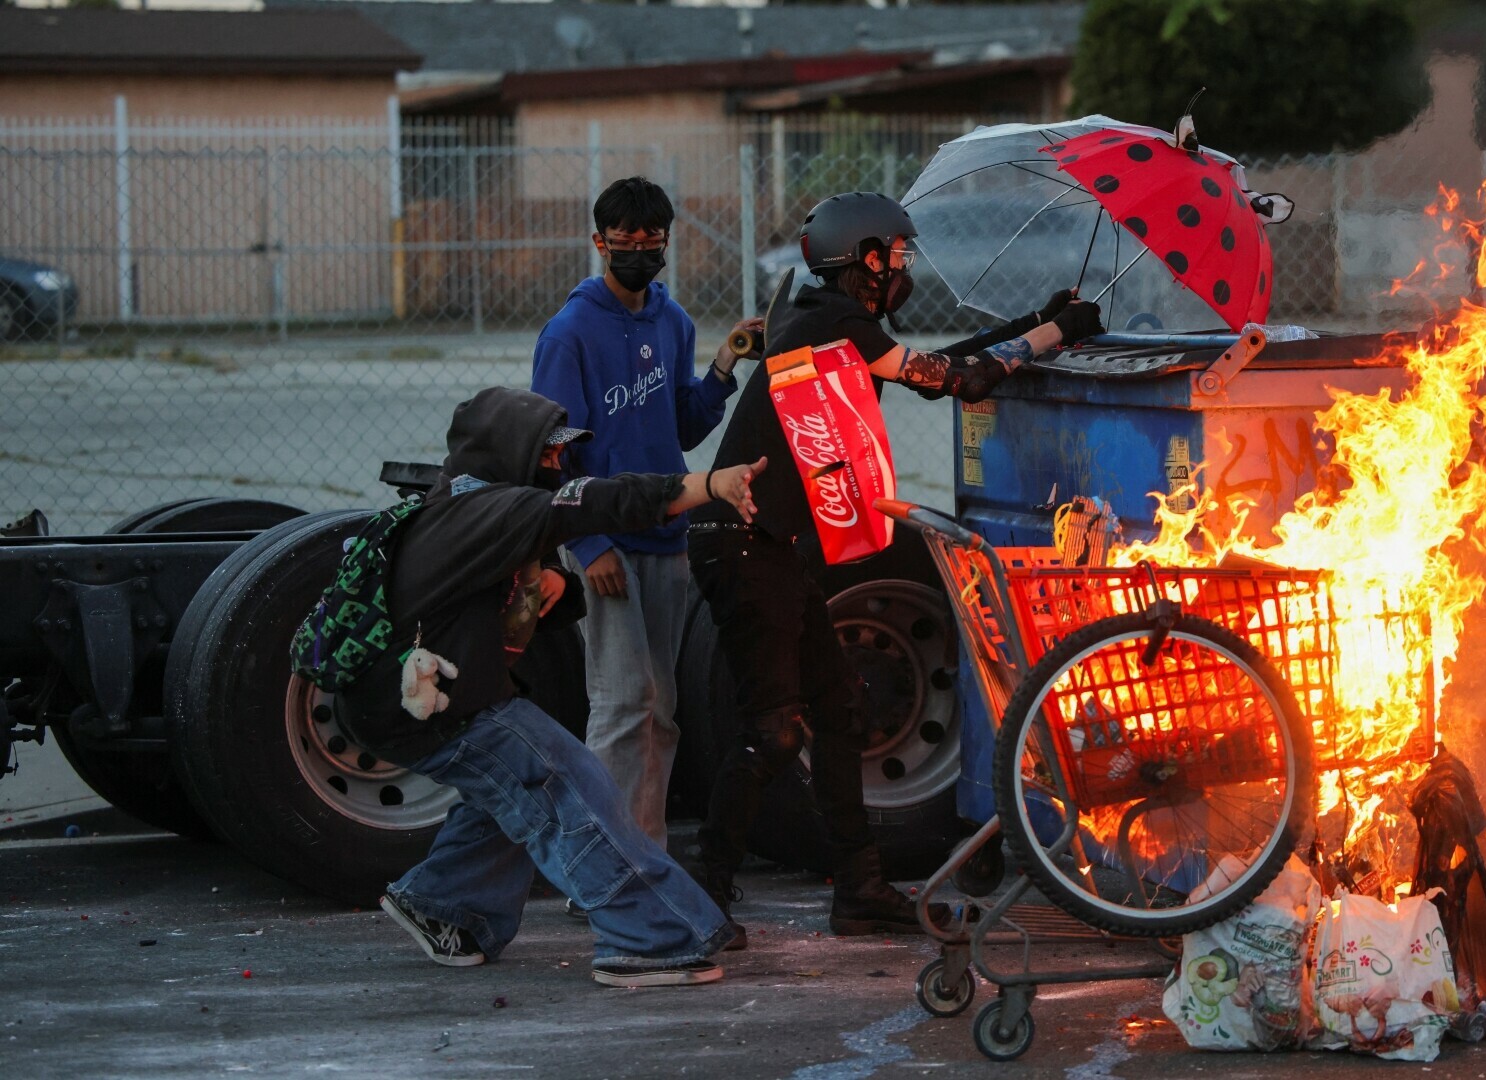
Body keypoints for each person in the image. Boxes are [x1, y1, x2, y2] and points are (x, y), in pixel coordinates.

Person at [688, 191, 1105, 948]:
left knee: (839, 712)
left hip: (767, 543)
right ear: (864, 260)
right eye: (895, 255)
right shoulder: (828, 322)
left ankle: (860, 890)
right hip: (742, 540)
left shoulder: (823, 314)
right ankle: (698, 896)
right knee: (777, 731)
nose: (903, 269)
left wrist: (1035, 322)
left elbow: (944, 363)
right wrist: (1056, 332)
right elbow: (958, 381)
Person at [333, 385, 767, 988]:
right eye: (547, 454)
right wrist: (710, 484)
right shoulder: (490, 509)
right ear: (508, 451)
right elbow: (600, 502)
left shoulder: (457, 501)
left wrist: (551, 592)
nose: (559, 465)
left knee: (511, 789)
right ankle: (647, 939)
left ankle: (442, 903)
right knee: (569, 781)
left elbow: (491, 603)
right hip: (430, 706)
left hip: (403, 700)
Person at [529, 176, 761, 856]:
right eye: (623, 241)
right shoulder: (569, 332)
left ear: (665, 243)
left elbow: (679, 428)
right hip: (607, 543)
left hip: (667, 534)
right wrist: (591, 542)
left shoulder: (673, 321)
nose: (637, 251)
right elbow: (553, 455)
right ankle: (600, 861)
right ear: (599, 242)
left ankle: (644, 856)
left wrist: (723, 365)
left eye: (650, 241)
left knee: (658, 706)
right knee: (623, 702)